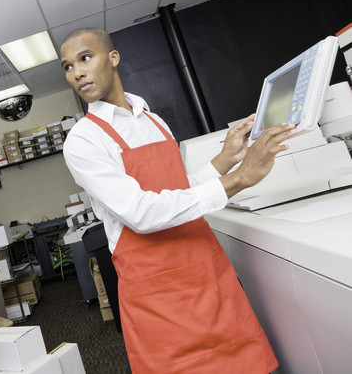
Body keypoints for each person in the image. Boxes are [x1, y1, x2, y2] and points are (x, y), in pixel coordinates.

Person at [61, 28, 295, 373]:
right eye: (67, 67)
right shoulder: (83, 141)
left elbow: (177, 189)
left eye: (85, 58)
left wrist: (226, 160)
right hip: (159, 297)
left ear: (113, 58)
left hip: (206, 276)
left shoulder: (152, 119)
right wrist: (239, 178)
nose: (77, 72)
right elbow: (143, 212)